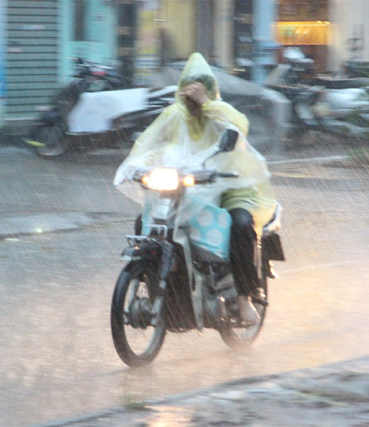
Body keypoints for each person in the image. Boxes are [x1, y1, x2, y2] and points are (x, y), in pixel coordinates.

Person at [114, 53, 277, 326]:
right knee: (144, 223)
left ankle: (244, 298)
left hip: (231, 188)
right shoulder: (173, 116)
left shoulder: (220, 113)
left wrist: (207, 103)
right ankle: (157, 287)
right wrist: (137, 167)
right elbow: (149, 144)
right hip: (187, 190)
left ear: (210, 93)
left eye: (197, 97)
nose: (192, 105)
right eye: (188, 98)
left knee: (240, 224)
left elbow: (240, 127)